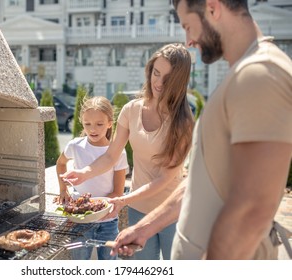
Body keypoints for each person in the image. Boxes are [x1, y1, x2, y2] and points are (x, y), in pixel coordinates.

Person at [111, 0, 292, 260]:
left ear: (212, 7)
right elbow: (202, 181)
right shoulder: (244, 75)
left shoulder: (260, 75)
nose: (189, 41)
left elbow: (253, 208)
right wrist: (144, 227)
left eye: (188, 25)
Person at [61, 43, 195, 260]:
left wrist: (123, 199)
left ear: (179, 81)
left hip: (173, 212)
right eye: (156, 73)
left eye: (167, 78)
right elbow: (111, 155)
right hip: (139, 209)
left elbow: (165, 178)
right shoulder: (131, 110)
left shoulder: (183, 123)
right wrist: (85, 173)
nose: (158, 83)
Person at [55, 96, 128, 260]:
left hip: (108, 221)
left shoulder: (118, 153)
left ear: (110, 123)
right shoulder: (75, 146)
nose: (93, 129)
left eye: (99, 124)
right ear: (81, 122)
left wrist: (97, 209)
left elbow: (118, 191)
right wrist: (63, 189)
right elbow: (60, 164)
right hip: (80, 221)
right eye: (87, 124)